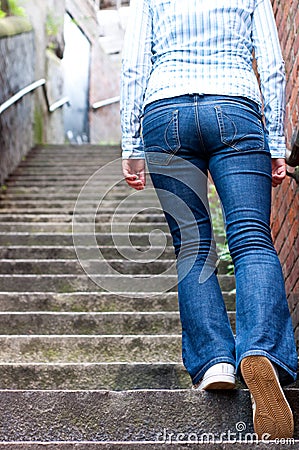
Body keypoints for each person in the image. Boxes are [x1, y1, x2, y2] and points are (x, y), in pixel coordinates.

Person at [120, 0, 298, 440]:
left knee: (193, 244)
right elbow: (273, 65)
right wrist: (276, 139)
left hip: (165, 112)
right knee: (253, 239)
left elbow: (134, 62)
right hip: (236, 105)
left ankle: (215, 359)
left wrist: (130, 141)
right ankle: (260, 350)